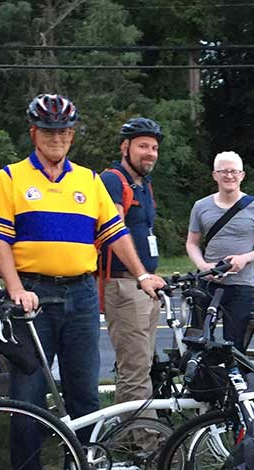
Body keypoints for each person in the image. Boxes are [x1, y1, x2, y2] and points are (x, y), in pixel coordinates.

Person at [0, 95, 163, 470]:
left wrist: (141, 274)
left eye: (64, 131)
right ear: (34, 133)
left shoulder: (89, 180)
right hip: (33, 296)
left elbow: (116, 233)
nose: (57, 138)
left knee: (85, 394)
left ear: (72, 135)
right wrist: (14, 289)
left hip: (81, 296)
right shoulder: (10, 177)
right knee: (26, 396)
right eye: (48, 131)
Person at [185, 151, 254, 351]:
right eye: (224, 171)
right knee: (198, 341)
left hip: (241, 285)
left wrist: (245, 258)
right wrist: (203, 266)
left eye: (234, 171)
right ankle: (201, 381)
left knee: (234, 345)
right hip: (208, 284)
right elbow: (192, 243)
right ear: (215, 175)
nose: (229, 176)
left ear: (242, 175)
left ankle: (235, 379)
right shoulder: (201, 206)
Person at [100, 117, 164, 403]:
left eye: (154, 147)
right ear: (125, 147)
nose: (150, 152)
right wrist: (141, 275)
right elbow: (115, 230)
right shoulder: (113, 180)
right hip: (125, 284)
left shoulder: (144, 184)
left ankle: (127, 435)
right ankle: (144, 442)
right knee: (136, 369)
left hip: (144, 286)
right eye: (143, 146)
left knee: (140, 366)